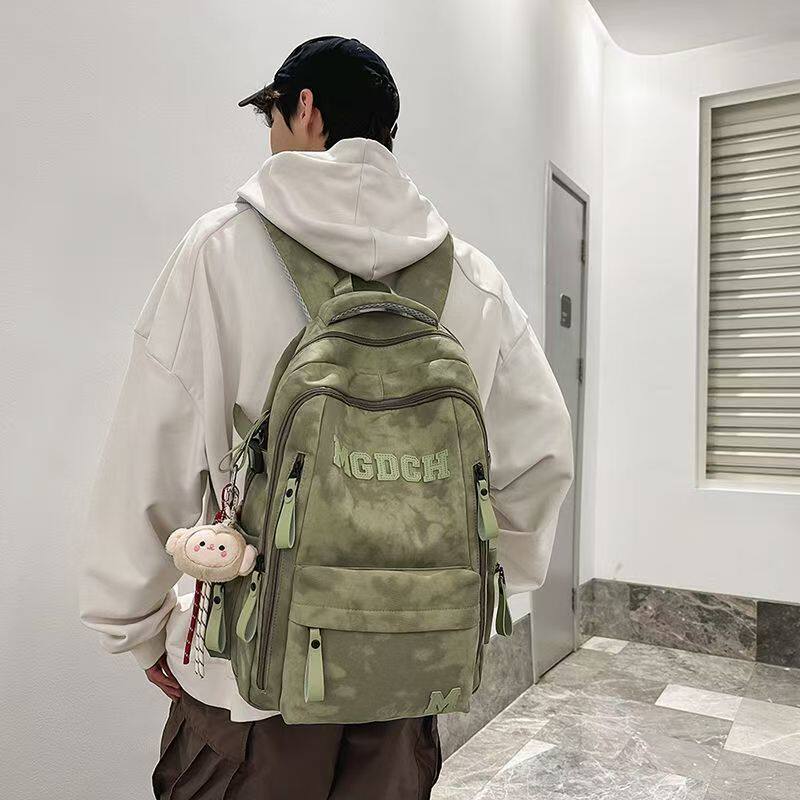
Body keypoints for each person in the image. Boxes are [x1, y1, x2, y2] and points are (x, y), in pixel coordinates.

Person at [80, 35, 574, 800]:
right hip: (409, 686)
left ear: (305, 108)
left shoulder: (219, 250)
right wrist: (464, 599)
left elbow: (152, 448)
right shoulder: (473, 279)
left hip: (250, 688)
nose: (272, 140)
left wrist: (136, 625)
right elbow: (541, 459)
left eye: (272, 119)